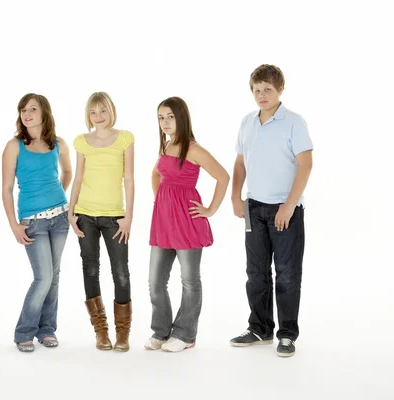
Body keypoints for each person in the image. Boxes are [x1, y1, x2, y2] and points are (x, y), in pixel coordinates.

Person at [229, 64, 313, 357]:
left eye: (268, 89)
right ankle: (259, 329)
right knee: (256, 273)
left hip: (284, 210)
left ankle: (287, 334)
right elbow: (240, 163)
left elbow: (306, 165)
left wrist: (288, 206)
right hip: (254, 207)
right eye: (257, 90)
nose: (262, 95)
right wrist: (235, 197)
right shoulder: (247, 122)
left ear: (280, 90)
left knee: (288, 274)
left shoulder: (293, 122)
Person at [145, 96, 229, 352]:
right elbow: (156, 174)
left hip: (187, 222)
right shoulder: (165, 146)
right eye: (161, 118)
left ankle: (185, 334)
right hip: (163, 222)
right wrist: (161, 201)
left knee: (189, 280)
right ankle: (161, 331)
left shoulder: (193, 149)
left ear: (181, 118)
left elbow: (223, 176)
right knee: (155, 282)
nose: (165, 122)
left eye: (170, 116)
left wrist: (210, 210)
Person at [2, 94, 72, 353]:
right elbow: (7, 188)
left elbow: (67, 172)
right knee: (42, 277)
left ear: (45, 113)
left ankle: (47, 330)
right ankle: (24, 332)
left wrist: (58, 199)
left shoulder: (59, 143)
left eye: (33, 109)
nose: (27, 114)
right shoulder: (14, 146)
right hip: (32, 221)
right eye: (23, 110)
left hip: (60, 218)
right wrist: (14, 225)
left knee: (54, 277)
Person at [67, 92, 135, 351]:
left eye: (103, 111)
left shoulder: (126, 138)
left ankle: (123, 333)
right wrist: (71, 213)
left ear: (111, 111)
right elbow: (77, 178)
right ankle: (101, 331)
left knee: (121, 272)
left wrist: (128, 216)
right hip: (85, 215)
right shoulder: (81, 142)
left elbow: (129, 178)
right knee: (91, 269)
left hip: (115, 217)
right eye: (93, 112)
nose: (99, 117)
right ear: (88, 115)